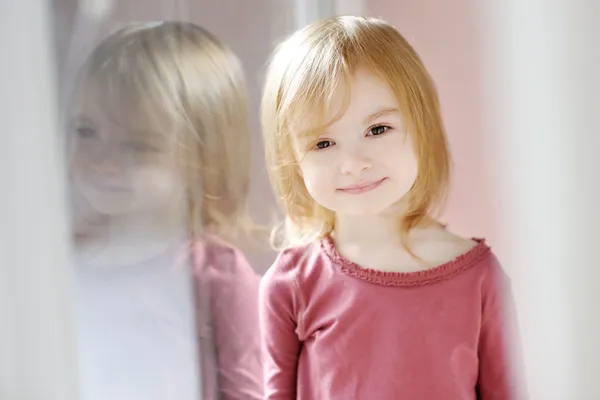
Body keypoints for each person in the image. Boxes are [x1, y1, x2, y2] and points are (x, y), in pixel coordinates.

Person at [259, 16, 525, 399]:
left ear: (422, 127)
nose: (353, 162)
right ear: (292, 159)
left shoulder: (482, 277)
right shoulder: (292, 284)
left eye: (377, 130)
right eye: (323, 143)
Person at [67, 21, 262, 400]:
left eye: (138, 146)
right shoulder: (62, 257)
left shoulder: (216, 275)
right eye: (86, 132)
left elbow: (248, 391)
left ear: (203, 162)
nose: (102, 161)